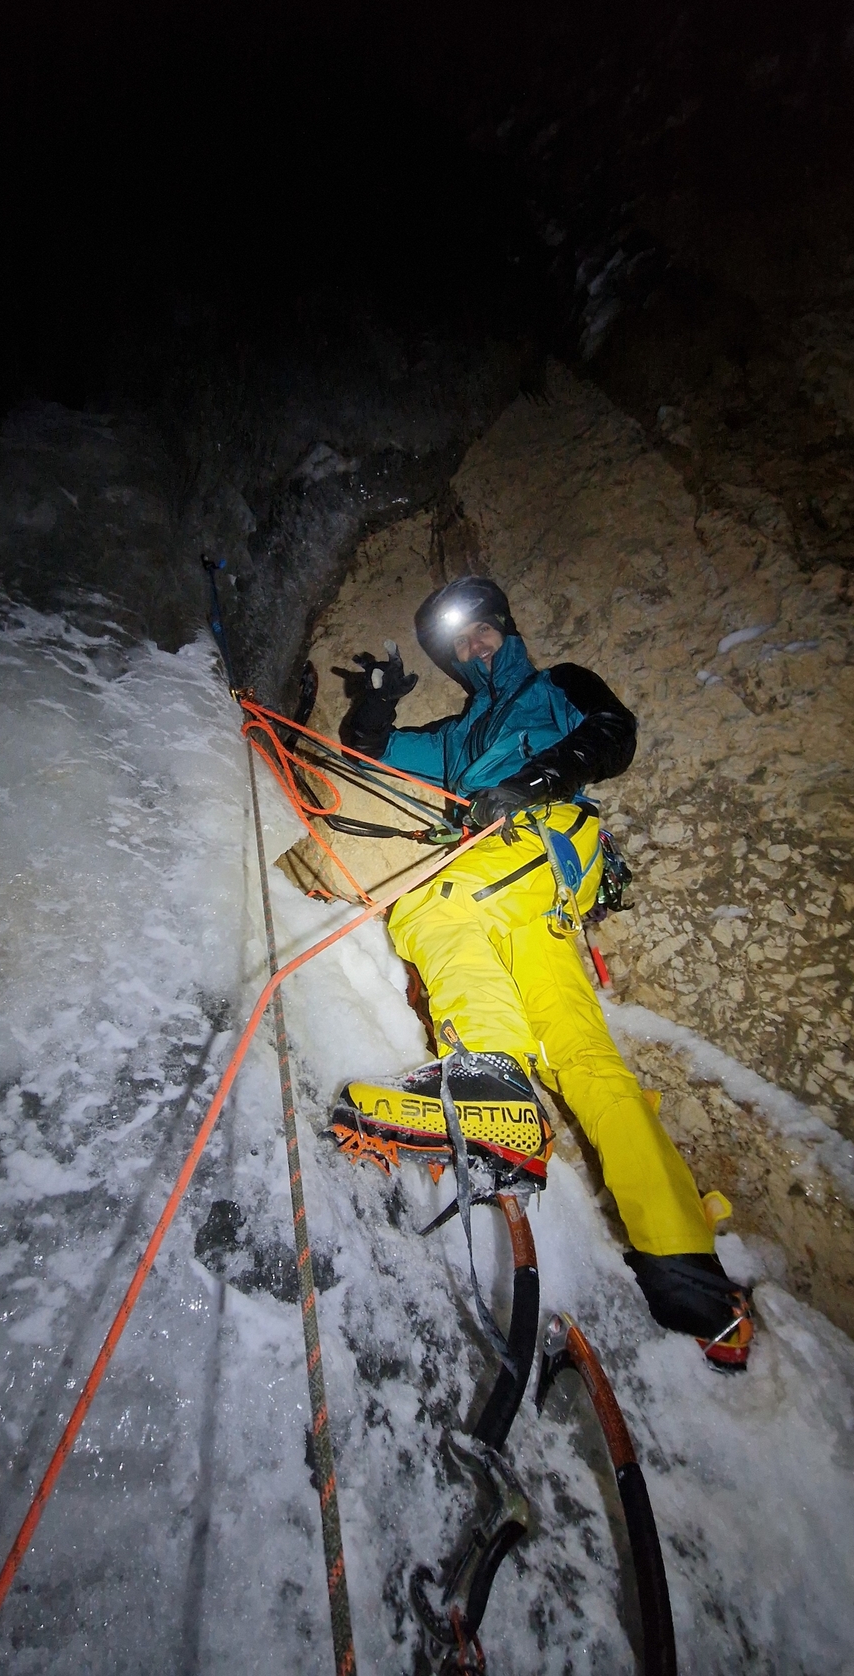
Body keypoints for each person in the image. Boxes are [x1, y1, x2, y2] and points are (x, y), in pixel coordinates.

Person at [333, 575, 753, 1370]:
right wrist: (379, 700)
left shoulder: (553, 686)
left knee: (430, 909)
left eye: (480, 632)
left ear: (505, 628)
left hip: (542, 839)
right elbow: (371, 749)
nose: (472, 647)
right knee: (582, 1054)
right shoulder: (462, 734)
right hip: (538, 904)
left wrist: (535, 781)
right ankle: (690, 1276)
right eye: (459, 644)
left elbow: (613, 732)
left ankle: (495, 1096)